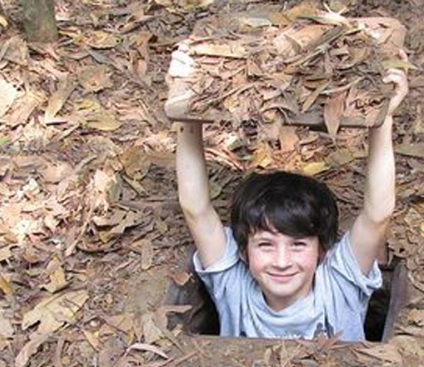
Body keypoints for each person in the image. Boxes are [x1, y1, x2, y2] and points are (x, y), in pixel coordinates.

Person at [171, 50, 408, 341]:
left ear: (323, 251)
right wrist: (185, 113)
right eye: (266, 245)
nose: (282, 261)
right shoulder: (233, 285)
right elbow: (196, 208)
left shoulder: (339, 284)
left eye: (298, 245)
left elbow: (377, 215)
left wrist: (383, 121)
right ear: (243, 252)